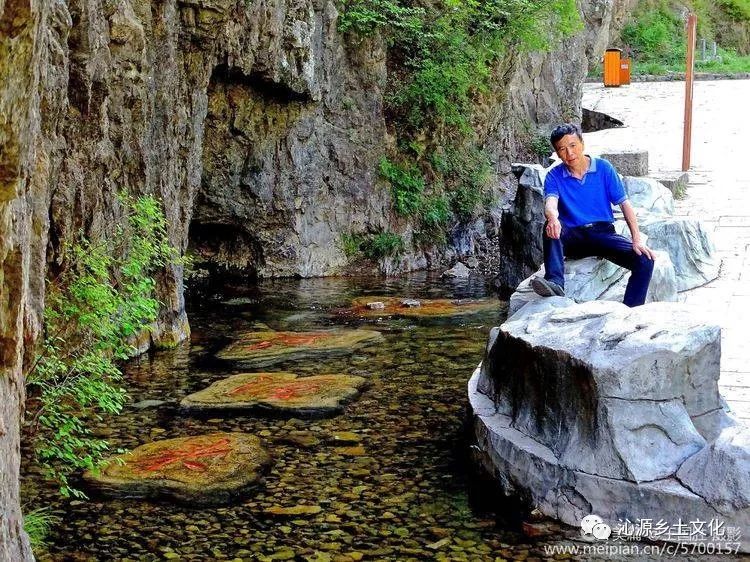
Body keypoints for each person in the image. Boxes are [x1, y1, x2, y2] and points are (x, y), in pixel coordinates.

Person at [531, 123, 655, 307]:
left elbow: (625, 204)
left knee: (645, 261)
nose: (569, 153)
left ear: (582, 143)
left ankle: (630, 310)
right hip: (573, 237)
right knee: (550, 226)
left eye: (573, 146)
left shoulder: (604, 168)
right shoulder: (554, 176)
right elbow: (551, 203)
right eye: (562, 149)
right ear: (557, 153)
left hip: (602, 234)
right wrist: (553, 218)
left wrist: (636, 239)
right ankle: (555, 283)